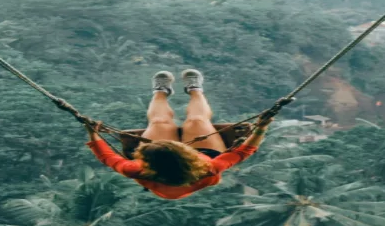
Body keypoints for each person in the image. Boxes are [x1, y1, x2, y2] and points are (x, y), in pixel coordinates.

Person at [86, 68, 266, 199]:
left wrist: (93, 134)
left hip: (167, 170)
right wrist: (262, 127)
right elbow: (243, 152)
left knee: (159, 122)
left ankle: (160, 93)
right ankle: (195, 90)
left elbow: (107, 157)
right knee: (197, 120)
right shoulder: (208, 168)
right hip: (201, 157)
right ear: (185, 152)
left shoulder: (136, 169)